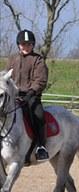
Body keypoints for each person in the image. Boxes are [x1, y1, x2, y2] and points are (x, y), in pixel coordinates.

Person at [6, 30, 49, 161]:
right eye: (23, 44)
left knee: (39, 116)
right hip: (14, 96)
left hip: (32, 97)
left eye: (29, 44)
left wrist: (30, 93)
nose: (26, 47)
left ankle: (41, 147)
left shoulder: (38, 60)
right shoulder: (13, 59)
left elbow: (40, 80)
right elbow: (6, 77)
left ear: (33, 45)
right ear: (18, 45)